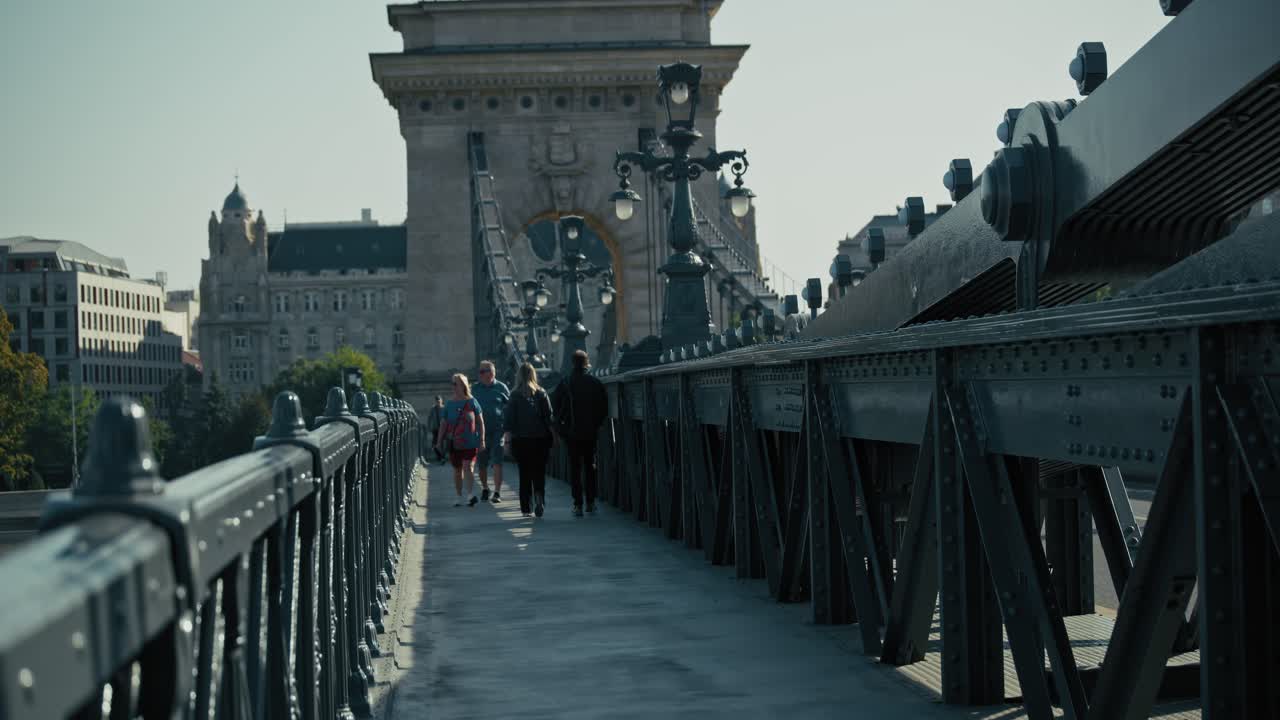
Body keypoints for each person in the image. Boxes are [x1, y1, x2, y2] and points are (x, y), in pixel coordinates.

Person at [552, 350, 609, 517]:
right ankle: (591, 502)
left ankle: (577, 504)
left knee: (574, 468)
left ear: (572, 363)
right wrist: (597, 424)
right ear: (586, 363)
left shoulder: (565, 383)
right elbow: (603, 408)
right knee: (590, 466)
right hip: (590, 432)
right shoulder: (595, 382)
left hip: (571, 433)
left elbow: (555, 406)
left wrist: (562, 428)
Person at [502, 362, 555, 518]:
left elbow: (509, 421)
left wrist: (507, 442)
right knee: (539, 472)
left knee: (524, 474)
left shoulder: (514, 395)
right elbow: (549, 418)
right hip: (540, 439)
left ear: (518, 376)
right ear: (533, 375)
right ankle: (539, 497)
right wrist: (554, 438)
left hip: (521, 441)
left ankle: (526, 509)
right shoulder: (541, 393)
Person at [436, 374, 486, 507]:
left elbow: (481, 422)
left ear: (463, 385)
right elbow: (444, 424)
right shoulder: (449, 404)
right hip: (455, 442)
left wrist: (482, 440)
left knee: (468, 466)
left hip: (470, 442)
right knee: (458, 469)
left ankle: (470, 495)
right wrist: (439, 442)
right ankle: (459, 496)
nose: (453, 386)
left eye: (455, 384)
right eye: (452, 383)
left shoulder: (472, 402)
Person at [471, 360, 511, 503]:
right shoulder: (474, 389)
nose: (480, 374)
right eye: (480, 371)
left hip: (497, 431)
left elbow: (510, 408)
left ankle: (497, 492)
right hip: (480, 432)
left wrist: (508, 431)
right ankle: (485, 488)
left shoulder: (502, 388)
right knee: (482, 463)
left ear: (492, 373)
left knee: (497, 461)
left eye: (483, 371)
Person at [426, 396, 446, 464]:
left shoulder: (444, 408)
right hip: (435, 428)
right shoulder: (433, 409)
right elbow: (429, 418)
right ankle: (440, 457)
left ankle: (442, 458)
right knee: (434, 444)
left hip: (442, 428)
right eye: (437, 401)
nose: (438, 402)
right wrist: (429, 427)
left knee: (441, 444)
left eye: (439, 401)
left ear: (441, 401)